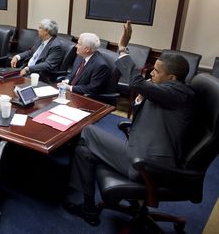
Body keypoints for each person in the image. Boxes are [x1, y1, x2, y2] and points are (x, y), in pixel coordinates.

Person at [64, 21, 195, 226]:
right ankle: (88, 208)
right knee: (84, 151)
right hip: (141, 148)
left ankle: (88, 206)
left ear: (172, 77)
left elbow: (135, 83)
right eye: (153, 68)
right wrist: (141, 99)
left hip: (149, 163)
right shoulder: (167, 91)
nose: (151, 73)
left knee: (87, 131)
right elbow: (146, 106)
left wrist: (123, 49)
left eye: (157, 71)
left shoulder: (178, 92)